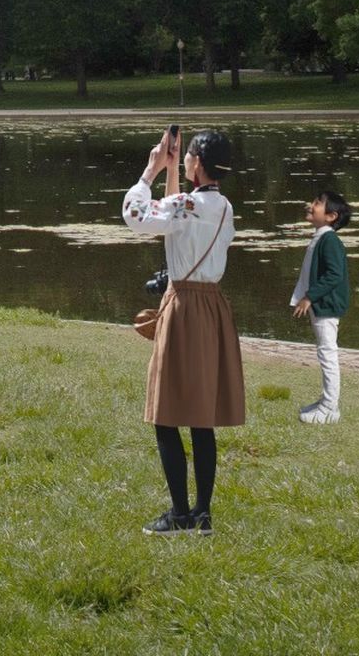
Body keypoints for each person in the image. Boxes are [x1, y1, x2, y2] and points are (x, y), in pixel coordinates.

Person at [123, 126, 246, 536]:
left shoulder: (184, 205)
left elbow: (136, 216)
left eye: (188, 156)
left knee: (167, 413)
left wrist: (151, 169)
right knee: (201, 417)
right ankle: (203, 515)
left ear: (197, 163)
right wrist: (175, 169)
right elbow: (180, 215)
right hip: (213, 308)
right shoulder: (225, 207)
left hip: (183, 308)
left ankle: (178, 515)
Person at [290, 188, 352, 424]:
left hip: (326, 306)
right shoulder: (321, 237)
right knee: (324, 351)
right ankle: (325, 402)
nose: (311, 205)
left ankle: (330, 407)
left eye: (317, 203)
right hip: (320, 305)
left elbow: (334, 275)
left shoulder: (330, 240)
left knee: (327, 353)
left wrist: (309, 297)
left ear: (330, 216)